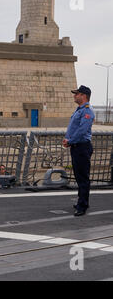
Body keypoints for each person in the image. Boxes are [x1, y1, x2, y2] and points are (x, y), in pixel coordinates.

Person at [63, 85, 95, 217]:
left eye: (77, 94)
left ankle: (82, 206)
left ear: (84, 96)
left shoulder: (87, 111)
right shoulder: (79, 110)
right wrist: (69, 140)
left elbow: (82, 130)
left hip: (82, 147)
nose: (74, 96)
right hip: (77, 147)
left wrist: (70, 141)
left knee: (83, 178)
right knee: (79, 176)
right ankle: (81, 201)